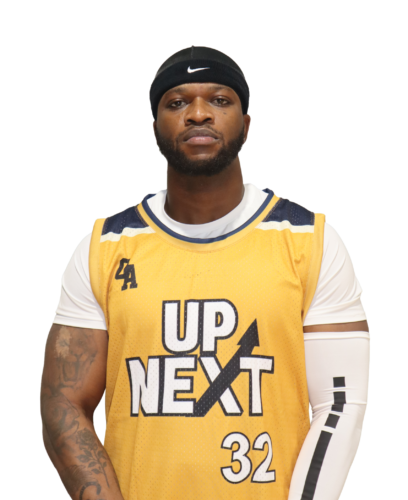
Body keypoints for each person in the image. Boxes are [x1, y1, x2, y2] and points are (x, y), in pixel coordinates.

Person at [40, 45, 370, 500]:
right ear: (154, 126)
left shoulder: (310, 241)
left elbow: (339, 406)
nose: (198, 114)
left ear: (247, 123)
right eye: (177, 102)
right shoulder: (103, 248)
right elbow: (63, 401)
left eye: (219, 99)